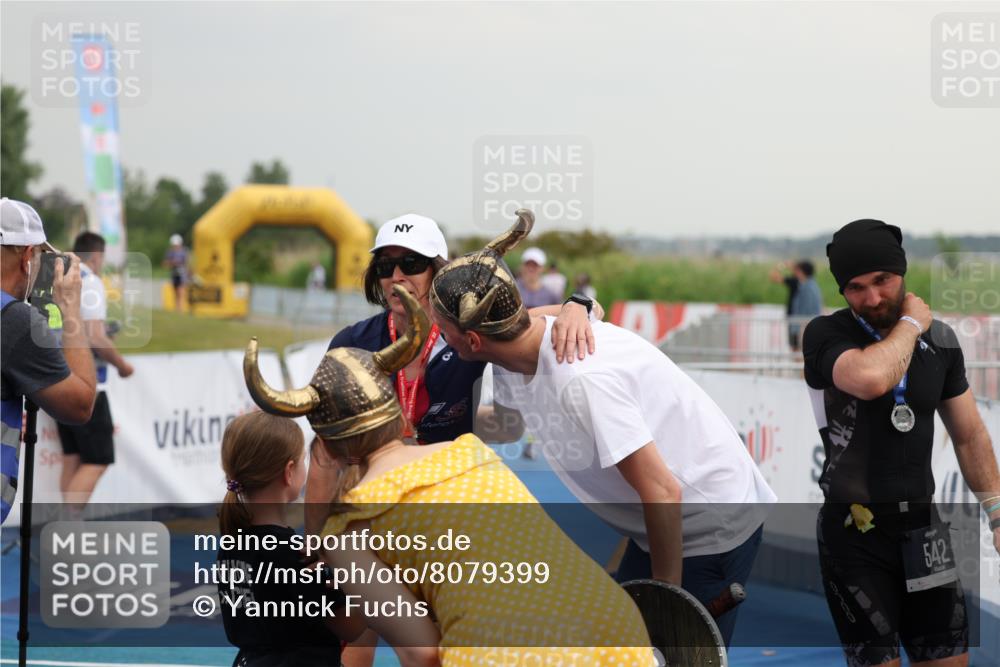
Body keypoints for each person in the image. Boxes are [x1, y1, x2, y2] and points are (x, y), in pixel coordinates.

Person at [243, 285, 654, 667]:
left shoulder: (348, 531)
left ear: (328, 447)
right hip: (621, 637)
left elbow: (421, 653)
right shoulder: (472, 453)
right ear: (399, 413)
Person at [428, 214, 776, 648]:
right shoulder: (514, 349)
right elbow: (502, 427)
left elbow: (663, 491)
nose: (441, 341)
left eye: (443, 331)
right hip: (661, 526)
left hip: (709, 522)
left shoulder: (582, 380)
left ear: (473, 341)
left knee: (666, 649)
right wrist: (577, 303)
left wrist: (666, 600)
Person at [306, 212, 602, 665]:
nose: (397, 276)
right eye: (385, 267)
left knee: (430, 645)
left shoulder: (466, 330)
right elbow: (324, 455)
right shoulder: (351, 343)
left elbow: (563, 317)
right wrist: (315, 542)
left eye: (411, 263)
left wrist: (579, 304)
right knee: (355, 636)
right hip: (367, 511)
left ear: (438, 271)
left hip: (440, 519)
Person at [803, 219, 1000, 667]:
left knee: (949, 662)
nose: (872, 298)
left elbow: (969, 435)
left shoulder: (943, 341)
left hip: (923, 530)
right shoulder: (824, 334)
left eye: (882, 281)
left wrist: (996, 511)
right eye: (856, 288)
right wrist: (910, 323)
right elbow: (870, 379)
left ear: (902, 274)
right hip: (854, 536)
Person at [216, 410, 364, 666]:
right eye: (304, 460)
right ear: (289, 472)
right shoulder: (300, 557)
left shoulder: (229, 545)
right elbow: (351, 628)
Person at [0, 198, 96, 523]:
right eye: (42, 256)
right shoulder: (15, 322)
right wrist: (71, 310)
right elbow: (80, 405)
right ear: (28, 257)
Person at [57, 232, 134, 507]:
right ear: (98, 256)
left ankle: (61, 532)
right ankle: (67, 530)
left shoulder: (62, 279)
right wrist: (123, 366)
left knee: (73, 458)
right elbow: (95, 337)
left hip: (60, 381)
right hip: (88, 384)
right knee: (97, 460)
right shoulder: (90, 281)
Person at [770, 260, 823, 351]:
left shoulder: (805, 287)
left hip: (799, 325)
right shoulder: (810, 285)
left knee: (797, 350)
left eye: (798, 270)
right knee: (798, 349)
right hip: (799, 324)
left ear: (802, 271)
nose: (796, 272)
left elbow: (773, 277)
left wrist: (781, 265)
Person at [163, 234, 189, 311]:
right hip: (174, 274)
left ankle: (180, 309)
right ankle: (177, 308)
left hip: (182, 275)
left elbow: (186, 263)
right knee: (175, 292)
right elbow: (165, 263)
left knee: (181, 291)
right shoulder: (170, 252)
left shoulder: (183, 252)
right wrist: (171, 263)